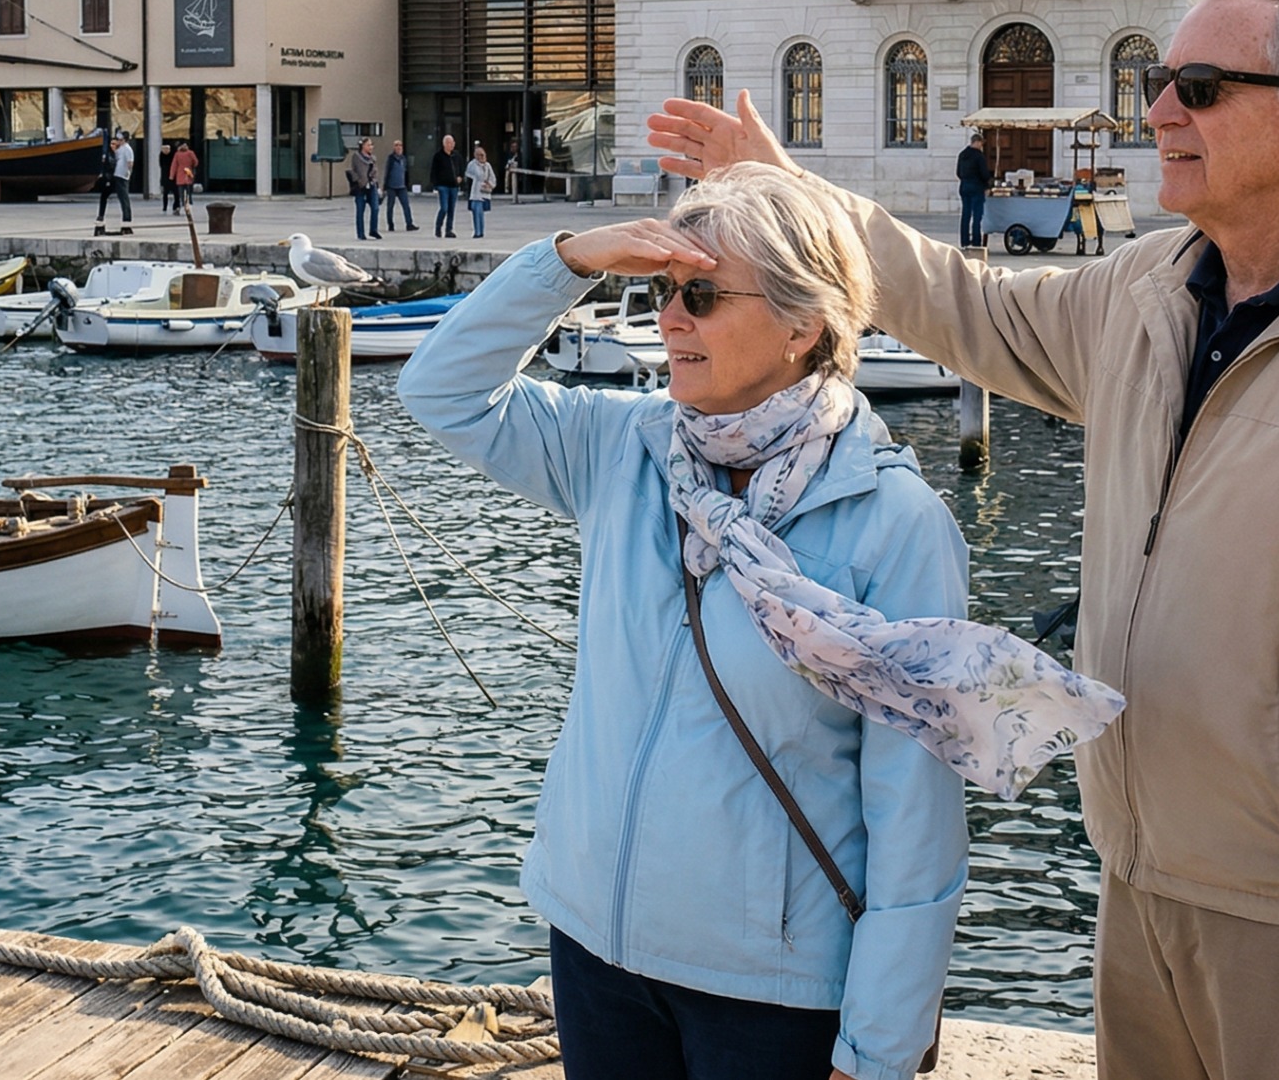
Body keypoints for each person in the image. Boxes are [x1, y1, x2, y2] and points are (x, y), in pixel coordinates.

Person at [650, 0, 1279, 1080]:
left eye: (1200, 88)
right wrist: (794, 196)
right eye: (1160, 82)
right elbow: (960, 303)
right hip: (1134, 873)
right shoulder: (1143, 290)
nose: (1158, 111)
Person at [399, 166, 1119, 1080]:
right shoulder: (623, 448)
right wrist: (569, 260)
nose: (670, 319)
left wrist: (879, 1047)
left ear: (801, 323)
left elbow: (913, 812)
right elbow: (442, 389)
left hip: (773, 987)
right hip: (594, 944)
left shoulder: (894, 522)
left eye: (700, 296)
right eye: (662, 292)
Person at [955, 131, 991, 247]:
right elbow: (984, 174)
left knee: (965, 215)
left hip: (964, 186)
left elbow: (958, 172)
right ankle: (976, 241)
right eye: (981, 143)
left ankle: (964, 241)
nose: (981, 146)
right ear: (977, 142)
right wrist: (987, 185)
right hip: (976, 187)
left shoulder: (962, 154)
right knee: (977, 216)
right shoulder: (979, 156)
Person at [94, 132, 135, 234]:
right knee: (105, 197)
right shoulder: (113, 152)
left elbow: (129, 163)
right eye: (112, 143)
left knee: (124, 198)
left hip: (119, 176)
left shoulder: (126, 149)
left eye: (116, 143)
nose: (114, 145)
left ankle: (126, 222)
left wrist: (127, 173)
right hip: (112, 177)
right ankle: (100, 220)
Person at [348, 136, 381, 241]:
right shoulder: (356, 157)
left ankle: (373, 230)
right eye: (368, 145)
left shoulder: (373, 158)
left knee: (375, 208)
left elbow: (375, 171)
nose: (371, 147)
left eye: (371, 145)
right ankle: (361, 233)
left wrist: (375, 181)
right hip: (360, 187)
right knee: (360, 210)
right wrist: (358, 180)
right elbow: (353, 170)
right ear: (363, 146)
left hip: (372, 185)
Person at [430, 133, 462, 238]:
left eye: (452, 143)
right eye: (448, 143)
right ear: (444, 144)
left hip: (454, 186)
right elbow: (434, 171)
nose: (450, 145)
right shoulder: (438, 156)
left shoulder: (456, 156)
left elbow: (461, 168)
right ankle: (438, 227)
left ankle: (449, 230)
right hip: (442, 185)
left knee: (451, 209)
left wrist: (460, 177)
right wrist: (435, 185)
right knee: (444, 208)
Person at [465, 143, 497, 238]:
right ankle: (477, 232)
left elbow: (492, 178)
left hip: (484, 192)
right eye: (480, 155)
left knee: (481, 213)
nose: (482, 157)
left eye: (483, 155)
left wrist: (490, 184)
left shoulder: (487, 166)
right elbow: (474, 175)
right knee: (476, 211)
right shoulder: (473, 165)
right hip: (475, 193)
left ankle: (481, 231)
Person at [383, 139, 415, 231]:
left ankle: (409, 224)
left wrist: (407, 183)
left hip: (402, 186)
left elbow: (406, 171)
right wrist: (385, 185)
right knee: (390, 206)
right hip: (391, 186)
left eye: (400, 145)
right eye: (396, 145)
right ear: (394, 147)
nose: (398, 147)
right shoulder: (391, 159)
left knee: (406, 205)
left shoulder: (403, 159)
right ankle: (390, 224)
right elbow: (387, 171)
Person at [169, 140, 198, 213]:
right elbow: (195, 162)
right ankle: (189, 205)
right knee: (188, 192)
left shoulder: (177, 154)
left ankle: (183, 205)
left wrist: (172, 175)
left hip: (180, 175)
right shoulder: (190, 153)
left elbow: (174, 165)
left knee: (181, 193)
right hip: (188, 174)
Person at [158, 140, 177, 213]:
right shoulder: (161, 155)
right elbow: (161, 165)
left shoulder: (173, 155)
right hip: (165, 176)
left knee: (176, 193)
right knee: (165, 193)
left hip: (173, 176)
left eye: (167, 149)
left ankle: (175, 206)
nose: (165, 150)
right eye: (164, 149)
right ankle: (164, 207)